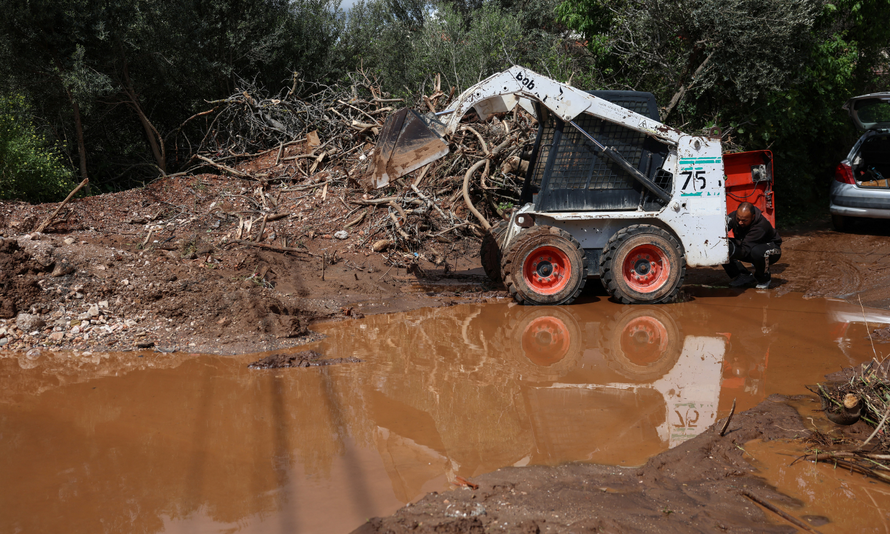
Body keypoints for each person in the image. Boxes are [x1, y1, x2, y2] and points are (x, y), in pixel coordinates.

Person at [724, 202, 782, 289]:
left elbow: (744, 250)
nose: (740, 222)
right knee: (721, 246)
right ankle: (742, 275)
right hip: (748, 245)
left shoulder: (761, 226)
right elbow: (720, 230)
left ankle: (764, 279)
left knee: (757, 252)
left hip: (770, 249)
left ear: (753, 217)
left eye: (744, 220)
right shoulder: (733, 216)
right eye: (738, 219)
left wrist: (731, 250)